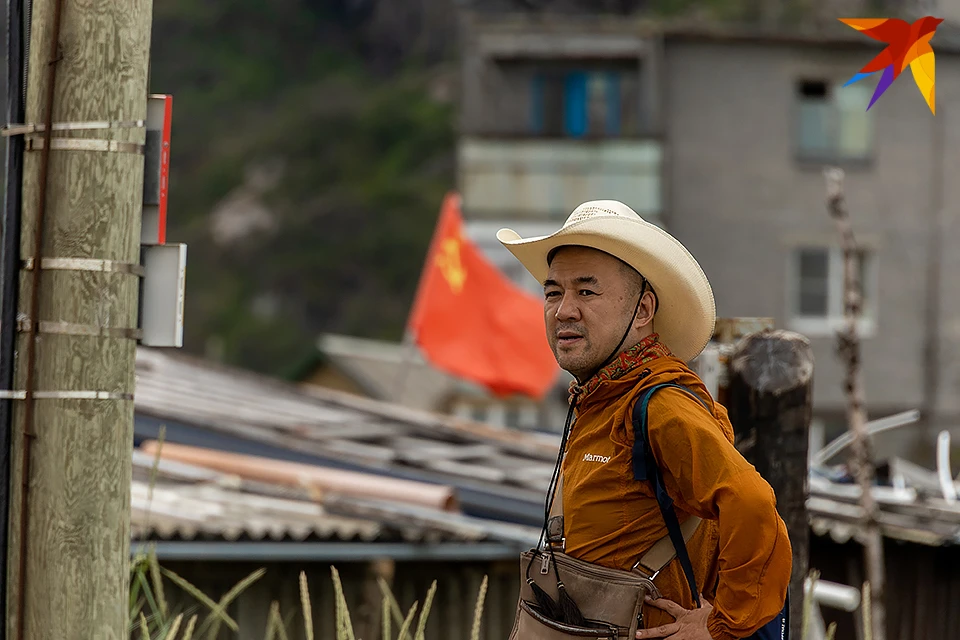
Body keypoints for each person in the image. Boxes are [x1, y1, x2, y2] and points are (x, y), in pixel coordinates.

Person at [497, 200, 792, 640]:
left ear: (642, 310)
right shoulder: (602, 398)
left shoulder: (660, 405)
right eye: (553, 291)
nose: (564, 310)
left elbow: (751, 504)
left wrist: (719, 627)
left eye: (587, 291)